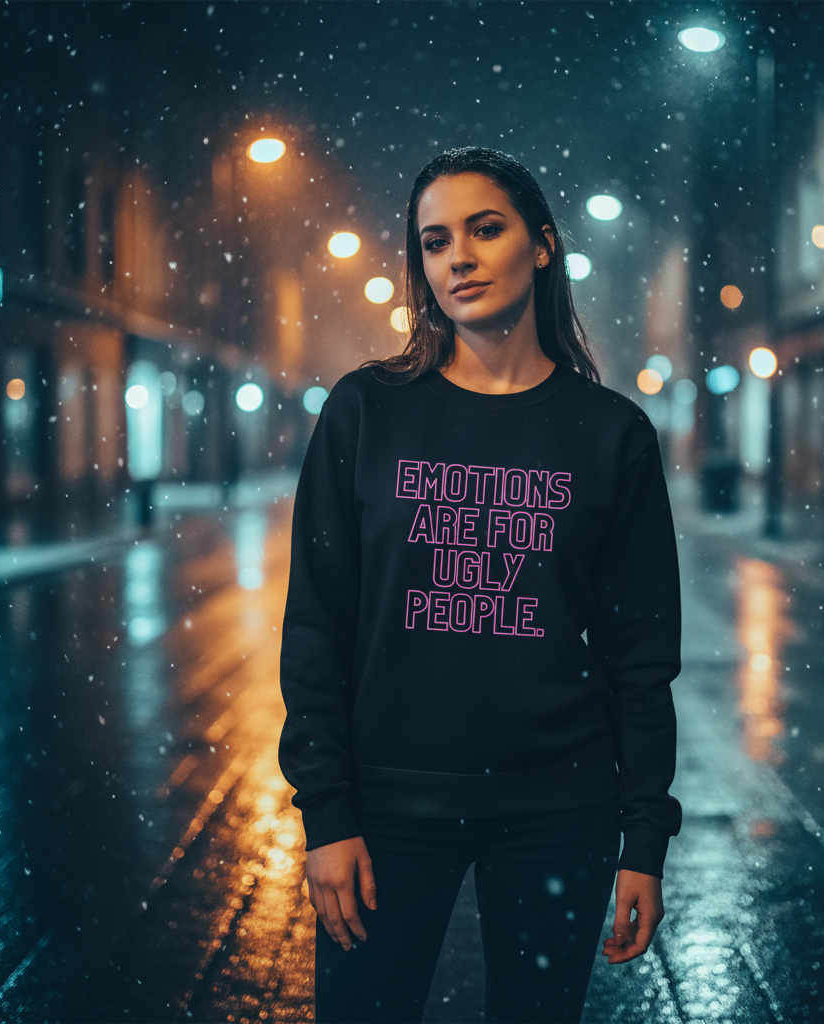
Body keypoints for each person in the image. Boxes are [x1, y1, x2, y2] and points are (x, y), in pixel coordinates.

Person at [278, 147, 682, 1024]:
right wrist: (328, 815)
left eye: (483, 229)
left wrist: (643, 840)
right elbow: (317, 622)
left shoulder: (610, 434)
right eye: (433, 241)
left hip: (560, 809)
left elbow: (642, 656)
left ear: (541, 246)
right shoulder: (365, 410)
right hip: (387, 811)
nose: (456, 256)